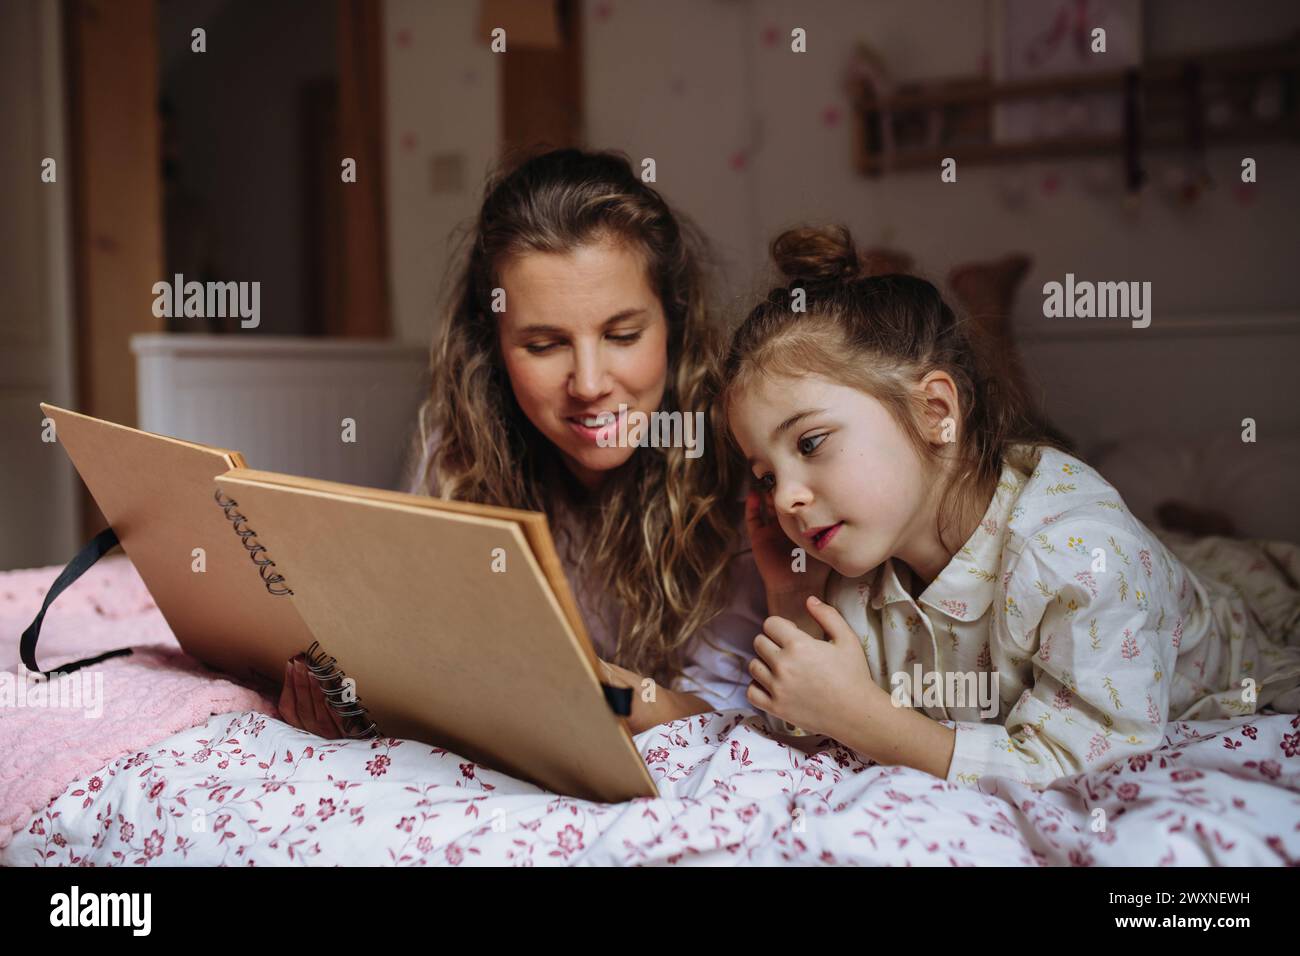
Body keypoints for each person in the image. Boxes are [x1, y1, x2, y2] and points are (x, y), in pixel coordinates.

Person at [721, 223, 1300, 789]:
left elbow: (1087, 766)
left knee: (1235, 569)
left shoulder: (1078, 558)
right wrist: (793, 596)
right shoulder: (860, 566)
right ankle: (1190, 532)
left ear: (935, 411)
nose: (785, 499)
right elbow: (803, 713)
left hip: (1234, 625)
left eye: (811, 443)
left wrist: (870, 722)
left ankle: (1203, 533)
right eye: (765, 476)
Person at [280, 148, 766, 739]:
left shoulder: (735, 461)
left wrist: (602, 697)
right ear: (494, 347)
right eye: (543, 345)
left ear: (675, 323)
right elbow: (420, 650)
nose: (589, 384)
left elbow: (732, 717)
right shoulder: (458, 448)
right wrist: (354, 693)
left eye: (623, 334)